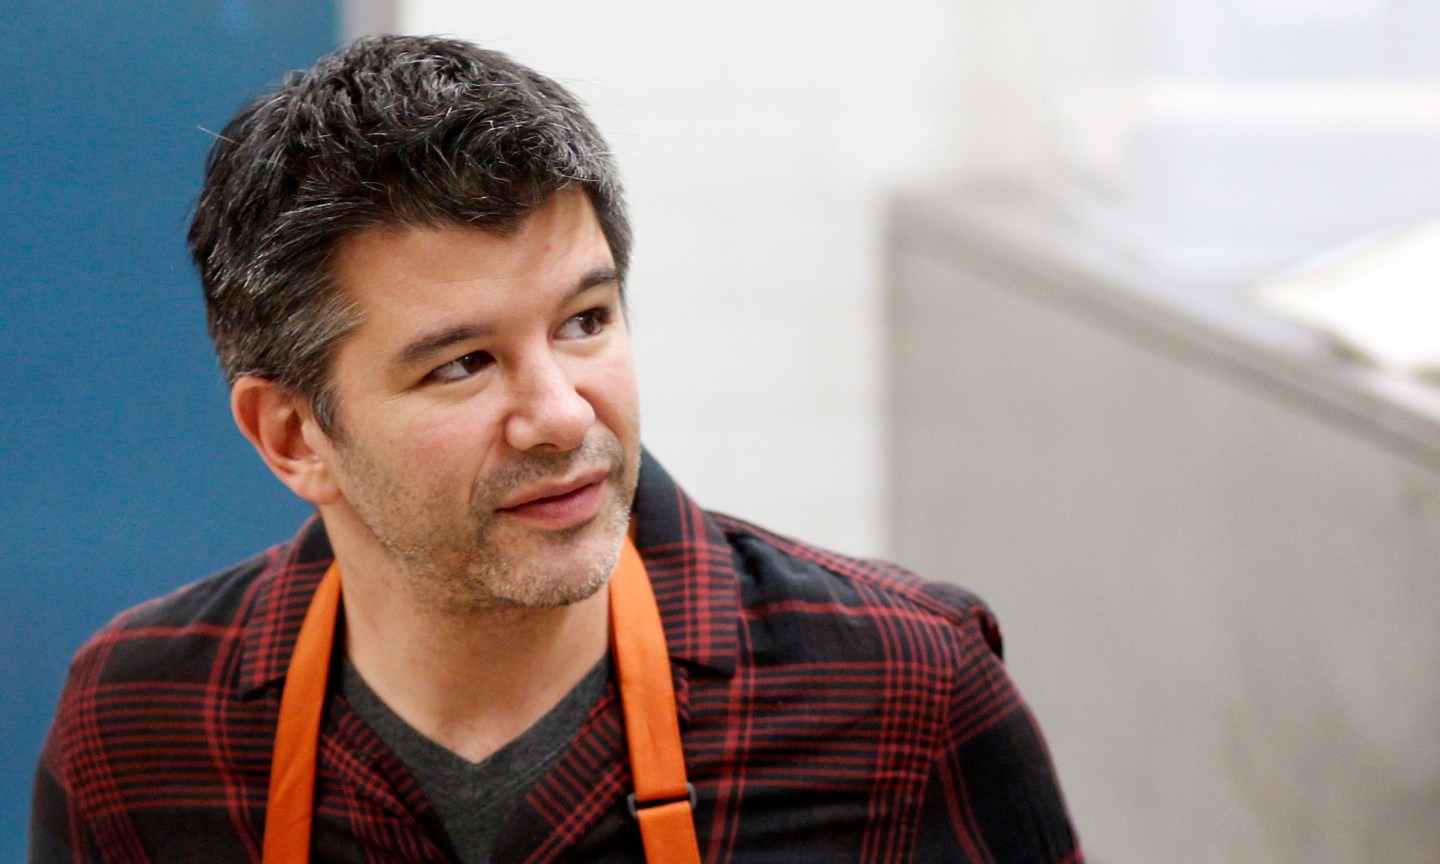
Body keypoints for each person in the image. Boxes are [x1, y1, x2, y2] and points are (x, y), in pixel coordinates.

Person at [30, 34, 1081, 864]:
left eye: (585, 322)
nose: (566, 417)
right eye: (463, 366)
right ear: (295, 436)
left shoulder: (903, 694)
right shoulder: (139, 729)